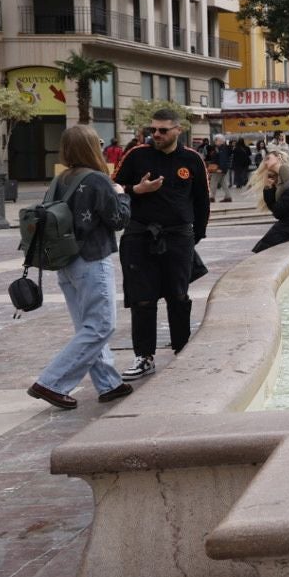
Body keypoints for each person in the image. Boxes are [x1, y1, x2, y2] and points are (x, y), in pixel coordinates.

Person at [26, 125, 134, 409]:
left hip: (66, 263)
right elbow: (118, 220)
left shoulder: (60, 179)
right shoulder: (97, 180)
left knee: (88, 325)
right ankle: (51, 382)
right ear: (91, 148)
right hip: (91, 260)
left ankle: (109, 383)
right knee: (101, 326)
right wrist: (122, 194)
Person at [115, 109, 209, 380]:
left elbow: (202, 201)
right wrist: (137, 190)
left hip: (178, 238)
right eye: (153, 129)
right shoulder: (137, 155)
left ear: (178, 130)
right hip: (139, 236)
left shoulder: (192, 159)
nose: (156, 134)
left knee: (178, 295)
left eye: (163, 130)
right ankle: (144, 356)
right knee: (142, 299)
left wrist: (195, 236)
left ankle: (182, 348)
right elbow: (114, 188)